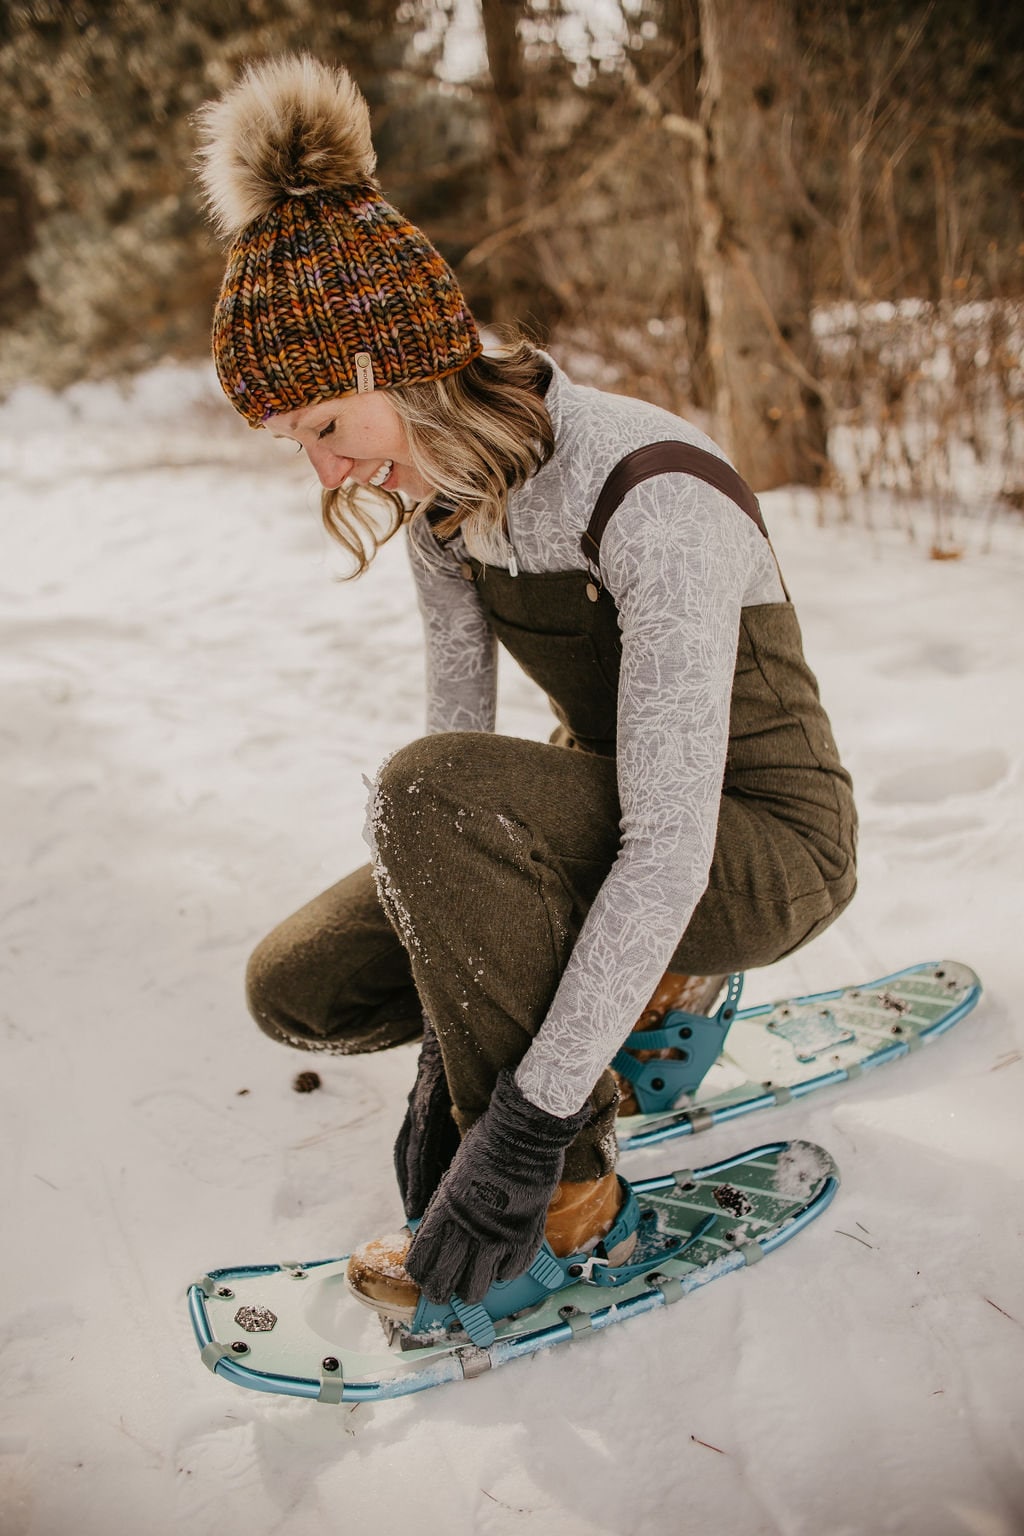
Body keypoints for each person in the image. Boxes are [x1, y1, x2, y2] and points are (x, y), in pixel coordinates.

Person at [195, 55, 856, 1330]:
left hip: (756, 840)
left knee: (432, 799)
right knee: (300, 984)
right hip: (592, 817)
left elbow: (662, 847)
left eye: (330, 424)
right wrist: (455, 1036)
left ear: (406, 362)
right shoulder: (446, 497)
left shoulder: (646, 491)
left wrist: (518, 1129)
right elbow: (455, 763)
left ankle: (572, 1193)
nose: (327, 467)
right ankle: (620, 1000)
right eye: (299, 446)